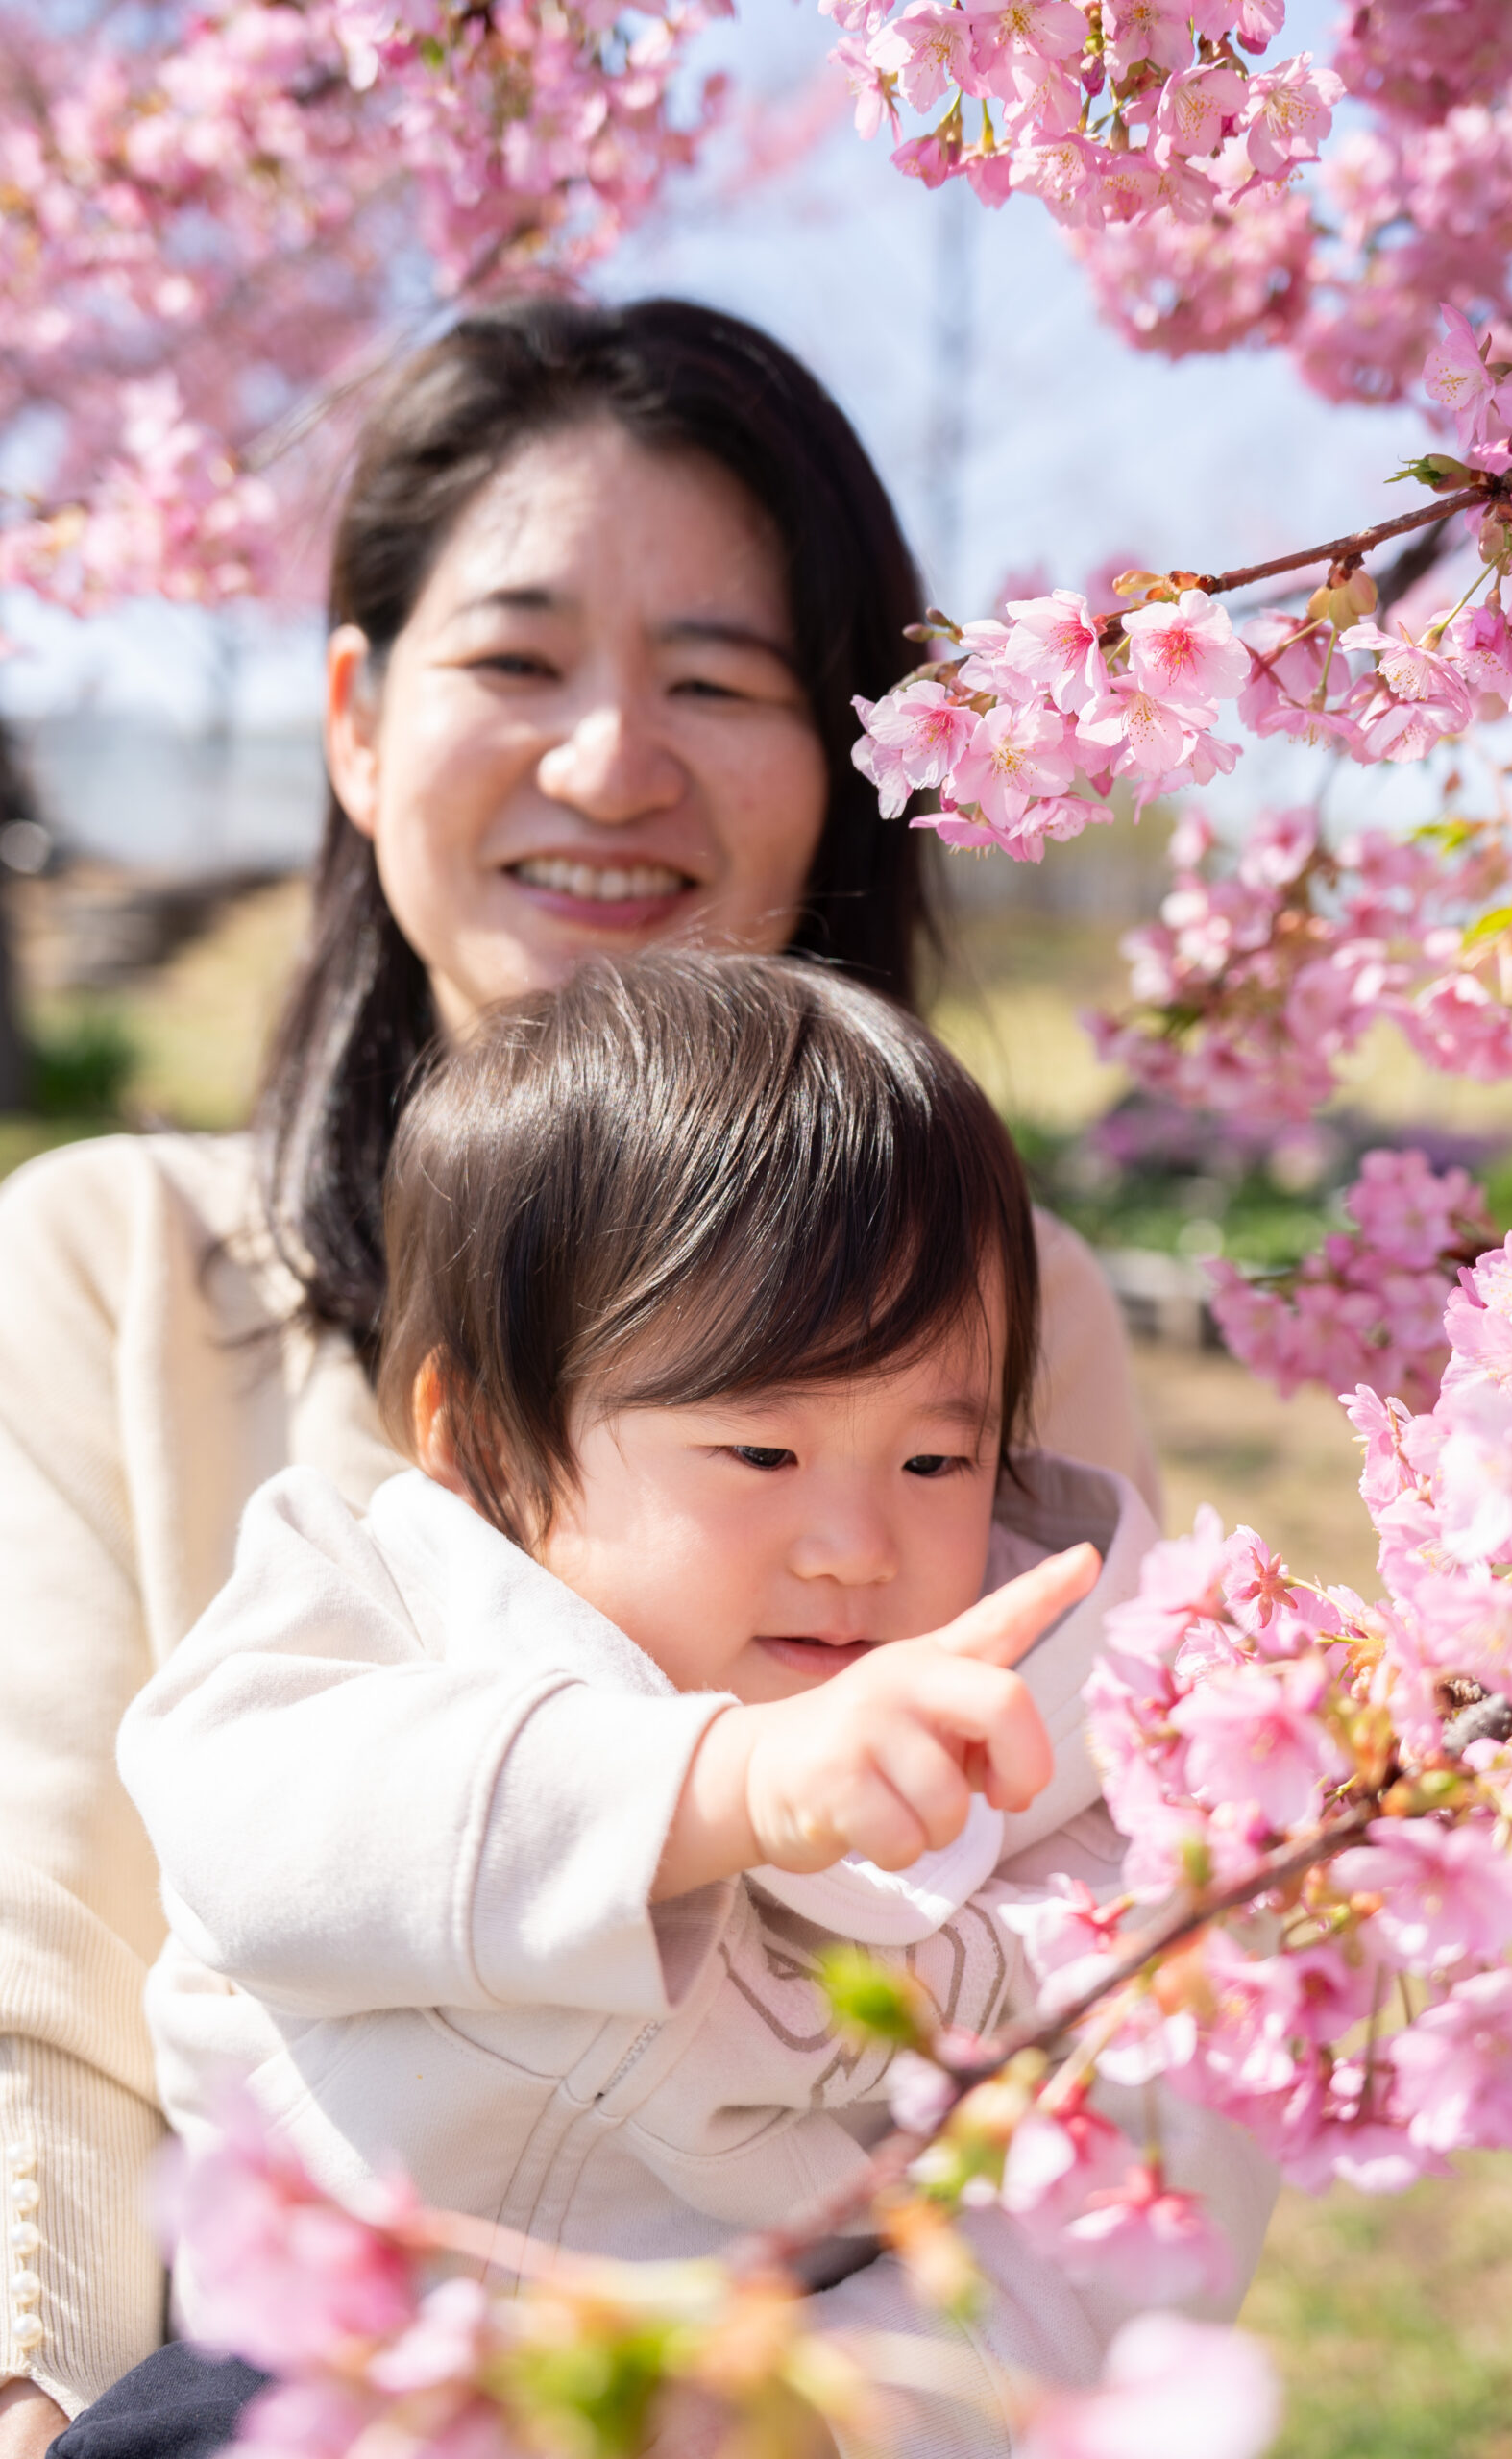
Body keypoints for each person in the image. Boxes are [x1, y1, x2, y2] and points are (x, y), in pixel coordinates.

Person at [0, 295, 1159, 2458]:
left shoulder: (1018, 1299)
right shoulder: (107, 1263)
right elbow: (36, 1952)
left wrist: (820, 2414)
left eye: (719, 680)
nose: (610, 761)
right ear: (353, 720)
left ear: (844, 760)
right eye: (516, 662)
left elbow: (1122, 2036)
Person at [104, 956, 1270, 2459]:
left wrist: (817, 2412)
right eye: (759, 1456)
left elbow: (1133, 2198)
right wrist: (719, 1785)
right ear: (481, 1442)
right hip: (348, 2375)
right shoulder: (374, 1595)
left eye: (932, 1463)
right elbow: (252, 1833)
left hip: (798, 2394)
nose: (857, 1546)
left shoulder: (1076, 1709)